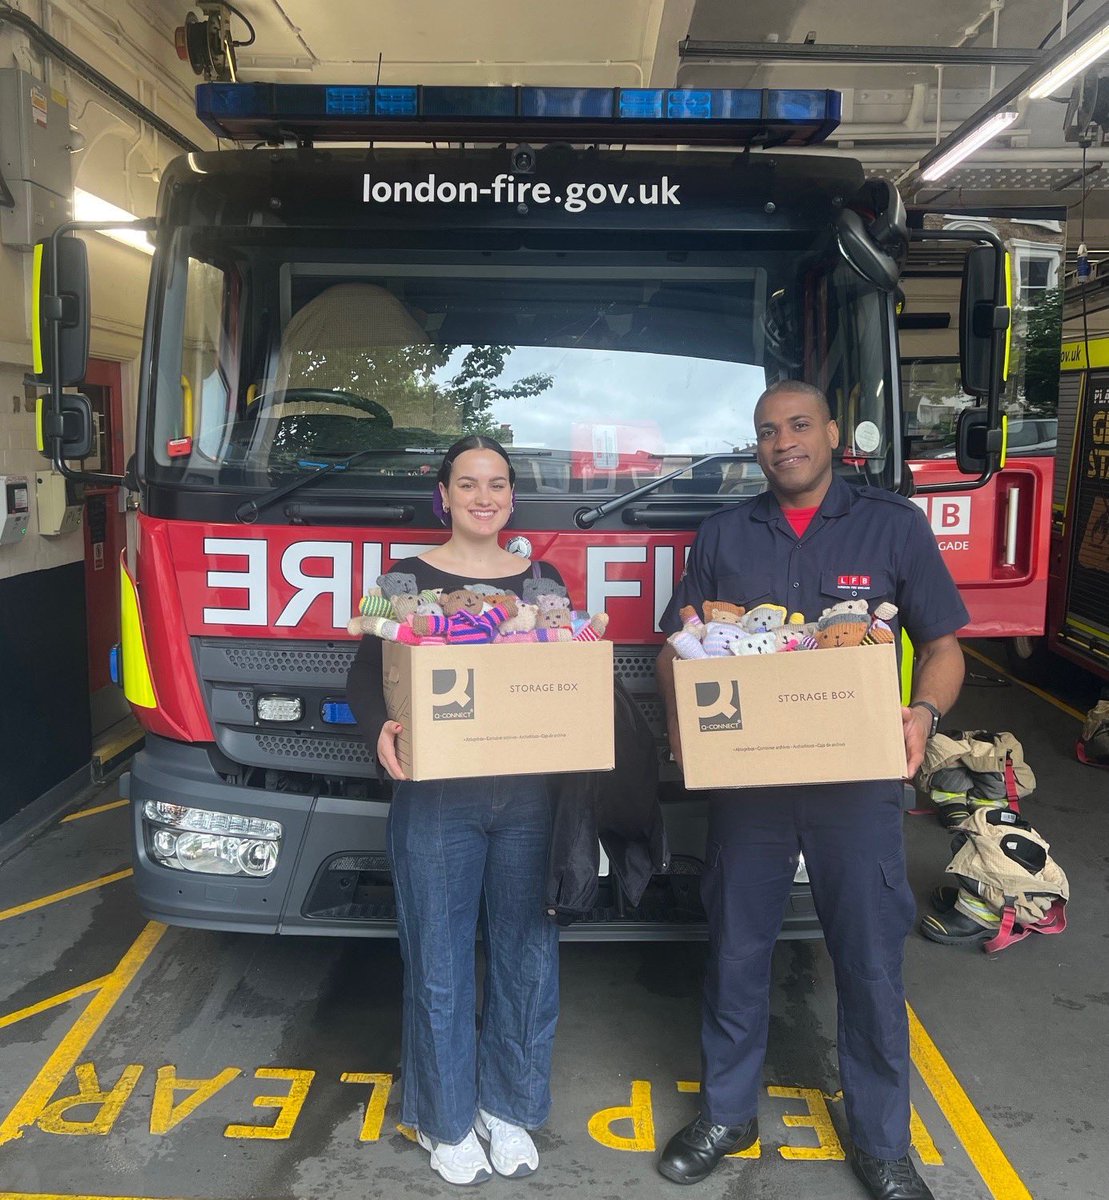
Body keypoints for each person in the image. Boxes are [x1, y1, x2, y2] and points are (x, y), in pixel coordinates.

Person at [655, 382, 967, 1200]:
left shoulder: (891, 525)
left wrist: (922, 715)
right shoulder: (723, 534)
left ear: (832, 432)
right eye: (767, 431)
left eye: (798, 426)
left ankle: (880, 1141)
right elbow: (676, 645)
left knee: (868, 964)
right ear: (754, 446)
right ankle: (727, 1114)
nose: (782, 442)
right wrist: (682, 726)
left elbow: (942, 645)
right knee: (735, 951)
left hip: (854, 787)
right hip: (750, 785)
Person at [346, 435, 564, 1186]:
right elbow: (360, 671)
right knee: (438, 963)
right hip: (434, 795)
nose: (483, 496)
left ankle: (508, 1106)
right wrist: (378, 725)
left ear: (511, 496)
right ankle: (444, 1120)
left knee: (527, 957)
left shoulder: (543, 580)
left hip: (530, 794)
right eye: (467, 483)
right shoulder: (396, 578)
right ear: (443, 493)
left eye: (497, 484)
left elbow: (564, 671)